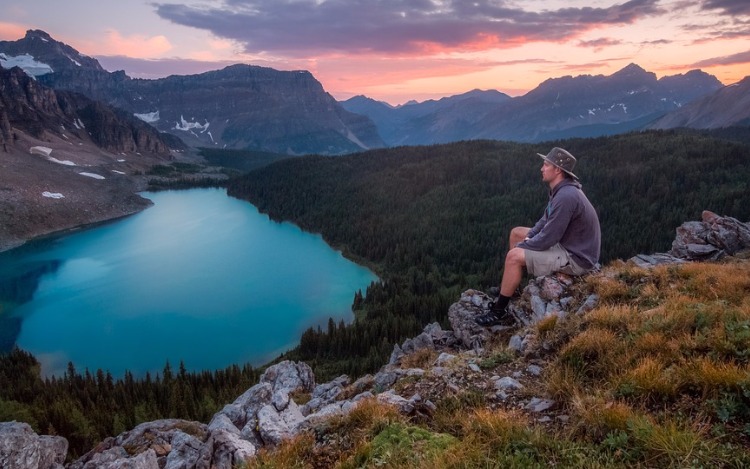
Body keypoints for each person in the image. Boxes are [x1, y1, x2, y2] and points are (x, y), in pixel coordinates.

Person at [475, 147, 601, 326]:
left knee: (513, 257)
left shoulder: (566, 196)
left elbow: (549, 237)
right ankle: (513, 288)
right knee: (516, 233)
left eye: (545, 164)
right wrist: (528, 238)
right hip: (568, 245)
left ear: (557, 169)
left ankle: (498, 311)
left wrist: (526, 246)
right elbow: (544, 222)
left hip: (577, 258)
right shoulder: (560, 190)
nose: (541, 168)